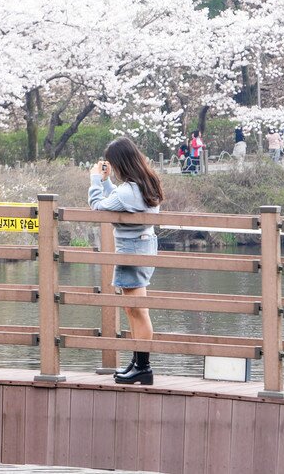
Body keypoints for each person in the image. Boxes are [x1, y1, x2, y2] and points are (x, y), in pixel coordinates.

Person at [89, 136, 164, 385]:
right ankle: (137, 362)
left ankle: (143, 366)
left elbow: (98, 206)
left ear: (120, 162)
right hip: (144, 246)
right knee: (133, 308)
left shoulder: (128, 191)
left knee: (137, 310)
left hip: (132, 249)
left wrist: (95, 181)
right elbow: (118, 202)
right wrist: (108, 181)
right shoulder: (144, 183)